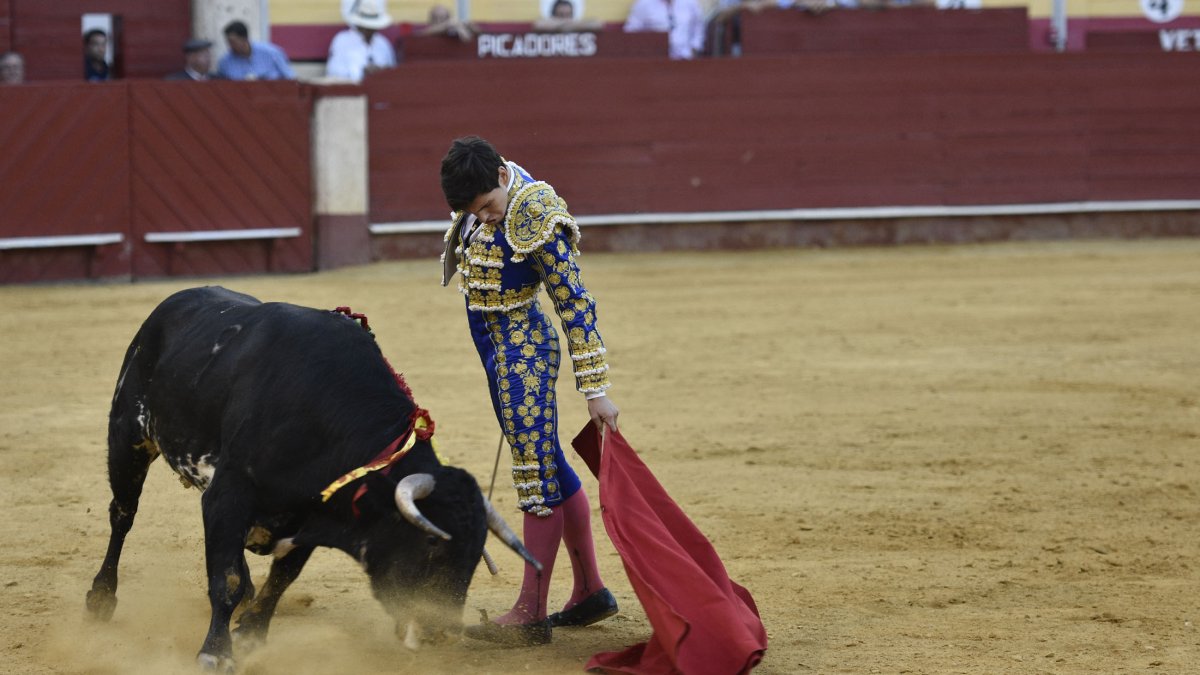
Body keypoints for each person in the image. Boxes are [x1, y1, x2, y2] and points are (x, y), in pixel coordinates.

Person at [439, 136, 620, 646]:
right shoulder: (483, 194)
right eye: (476, 213)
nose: (487, 219)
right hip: (494, 347)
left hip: (524, 353)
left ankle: (530, 613)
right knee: (548, 464)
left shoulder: (536, 214)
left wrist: (595, 389)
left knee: (534, 475)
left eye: (489, 209)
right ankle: (588, 592)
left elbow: (575, 302)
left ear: (502, 176)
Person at [326, 0, 397, 82]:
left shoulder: (383, 44)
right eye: (367, 26)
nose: (371, 29)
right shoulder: (342, 41)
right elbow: (333, 73)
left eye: (373, 27)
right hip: (352, 91)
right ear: (359, 25)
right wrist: (361, 71)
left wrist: (382, 71)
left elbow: (393, 71)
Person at [623, 0, 706, 59]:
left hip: (686, 59)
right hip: (655, 61)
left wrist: (695, 48)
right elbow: (631, 33)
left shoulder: (690, 2)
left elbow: (698, 26)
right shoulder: (643, 4)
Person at [217, 20, 295, 80]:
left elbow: (291, 79)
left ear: (245, 39)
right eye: (228, 42)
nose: (230, 46)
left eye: (233, 42)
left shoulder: (272, 53)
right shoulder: (225, 62)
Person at [533, 0, 604, 32]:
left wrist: (569, 25)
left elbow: (598, 24)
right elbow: (538, 25)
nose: (565, 18)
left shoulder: (577, 23)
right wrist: (566, 25)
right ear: (553, 15)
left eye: (568, 15)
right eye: (561, 15)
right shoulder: (546, 23)